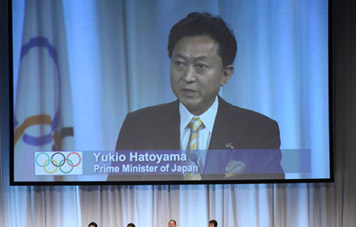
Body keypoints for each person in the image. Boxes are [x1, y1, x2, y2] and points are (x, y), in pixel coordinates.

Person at [112, 12, 283, 182]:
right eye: (179, 64)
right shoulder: (139, 126)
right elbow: (115, 198)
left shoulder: (259, 131)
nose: (187, 77)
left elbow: (272, 200)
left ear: (225, 74)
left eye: (201, 66)